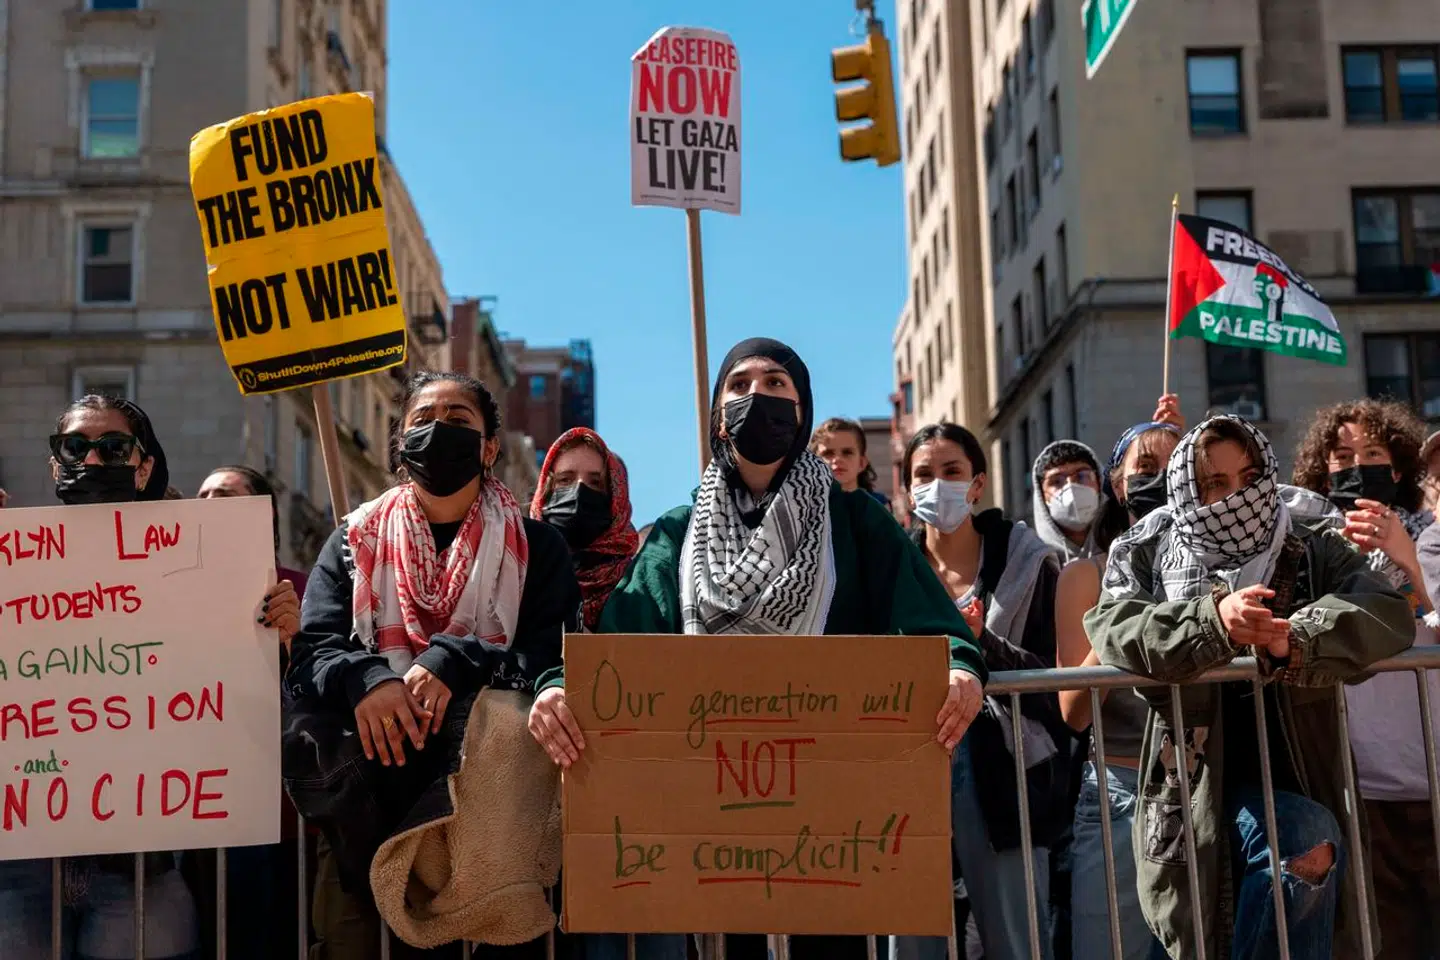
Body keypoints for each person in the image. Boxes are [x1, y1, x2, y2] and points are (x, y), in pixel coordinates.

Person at [527, 338, 985, 960]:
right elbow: (613, 652)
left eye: (776, 385)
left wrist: (960, 668)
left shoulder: (855, 523)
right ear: (719, 416)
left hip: (831, 822)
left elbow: (930, 621)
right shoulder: (675, 532)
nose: (756, 397)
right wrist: (556, 685)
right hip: (708, 826)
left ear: (801, 411)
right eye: (739, 385)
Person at [1087, 415, 1414, 959]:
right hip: (1192, 778)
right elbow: (1114, 625)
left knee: (1308, 843)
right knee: (1207, 919)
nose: (1238, 496)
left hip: (1301, 767)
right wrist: (1212, 622)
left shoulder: (1311, 539)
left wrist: (1297, 637)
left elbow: (1382, 607)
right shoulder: (1145, 548)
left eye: (1250, 475)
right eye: (1214, 484)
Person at [283, 372, 581, 960]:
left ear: (489, 447)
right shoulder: (351, 539)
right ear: (399, 441)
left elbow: (552, 654)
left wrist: (455, 660)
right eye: (422, 419)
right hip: (372, 808)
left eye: (458, 420)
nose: (437, 431)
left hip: (493, 825)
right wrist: (367, 680)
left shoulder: (538, 547)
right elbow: (317, 647)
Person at [0, 396, 287, 960]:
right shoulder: (15, 561)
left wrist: (281, 635)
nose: (93, 458)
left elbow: (236, 695)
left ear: (144, 465)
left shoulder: (200, 567)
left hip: (142, 865)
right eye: (75, 446)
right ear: (55, 462)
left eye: (114, 447)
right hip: (21, 859)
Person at [891, 423, 1071, 960]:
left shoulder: (1027, 562)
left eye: (952, 472)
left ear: (977, 485)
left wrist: (982, 645)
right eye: (924, 474)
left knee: (1016, 943)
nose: (938, 485)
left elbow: (1053, 684)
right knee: (913, 942)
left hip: (1006, 782)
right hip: (912, 783)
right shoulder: (893, 569)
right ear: (905, 488)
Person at [1291, 399, 1440, 958]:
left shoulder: (1432, 536)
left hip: (1433, 775)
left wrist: (1405, 556)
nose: (1357, 464)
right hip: (1363, 787)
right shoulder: (1310, 544)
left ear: (1397, 468)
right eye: (1343, 455)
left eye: (1372, 453)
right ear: (1321, 471)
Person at [1054, 420, 1181, 960]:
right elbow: (1074, 710)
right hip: (1120, 792)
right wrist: (1125, 608)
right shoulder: (1086, 577)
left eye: (1175, 468)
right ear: (1117, 485)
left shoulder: (1221, 567)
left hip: (1205, 788)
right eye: (1144, 470)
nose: (1160, 481)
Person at [530, 427, 639, 632]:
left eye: (596, 483)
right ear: (545, 492)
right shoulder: (517, 574)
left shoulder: (637, 585)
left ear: (616, 500)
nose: (579, 489)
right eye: (565, 480)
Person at [811, 416, 890, 508]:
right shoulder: (805, 508)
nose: (837, 459)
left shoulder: (878, 505)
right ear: (813, 464)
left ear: (862, 463)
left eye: (847, 452)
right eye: (828, 453)